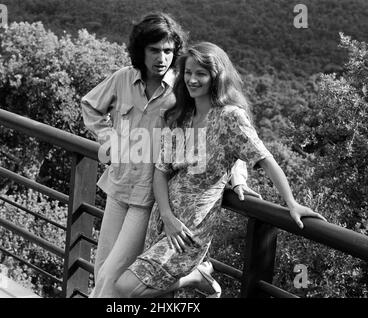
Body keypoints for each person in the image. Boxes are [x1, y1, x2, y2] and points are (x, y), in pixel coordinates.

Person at [114, 42, 327, 298]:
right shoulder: (181, 115)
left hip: (191, 227)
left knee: (125, 289)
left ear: (217, 77)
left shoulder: (229, 118)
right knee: (153, 292)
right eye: (188, 72)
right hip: (164, 218)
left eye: (201, 74)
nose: (193, 79)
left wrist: (291, 203)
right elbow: (161, 171)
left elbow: (266, 159)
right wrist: (168, 216)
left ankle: (194, 276)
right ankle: (196, 276)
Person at [81, 13, 259, 297]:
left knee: (113, 276)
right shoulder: (123, 79)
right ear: (141, 50)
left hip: (148, 197)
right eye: (154, 50)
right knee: (102, 266)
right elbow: (89, 106)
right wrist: (110, 139)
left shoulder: (182, 90)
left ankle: (195, 273)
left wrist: (237, 179)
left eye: (168, 50)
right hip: (117, 185)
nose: (161, 57)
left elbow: (220, 132)